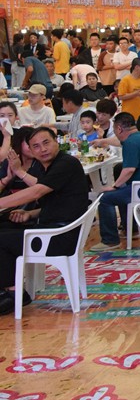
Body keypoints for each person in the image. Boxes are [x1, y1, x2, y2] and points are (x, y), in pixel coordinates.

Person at [0, 127, 90, 315]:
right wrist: (30, 214)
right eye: (36, 146)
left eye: (46, 143)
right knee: (4, 225)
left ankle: (14, 293)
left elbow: (37, 192)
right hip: (53, 228)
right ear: (31, 150)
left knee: (1, 240)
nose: (42, 149)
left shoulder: (66, 163)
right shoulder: (47, 166)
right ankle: (11, 288)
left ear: (57, 142)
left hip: (60, 237)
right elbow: (58, 202)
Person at [90, 112, 140, 252]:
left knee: (105, 198)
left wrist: (114, 186)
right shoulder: (139, 138)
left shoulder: (131, 142)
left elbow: (129, 170)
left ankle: (110, 240)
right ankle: (130, 228)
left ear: (119, 129)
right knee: (120, 189)